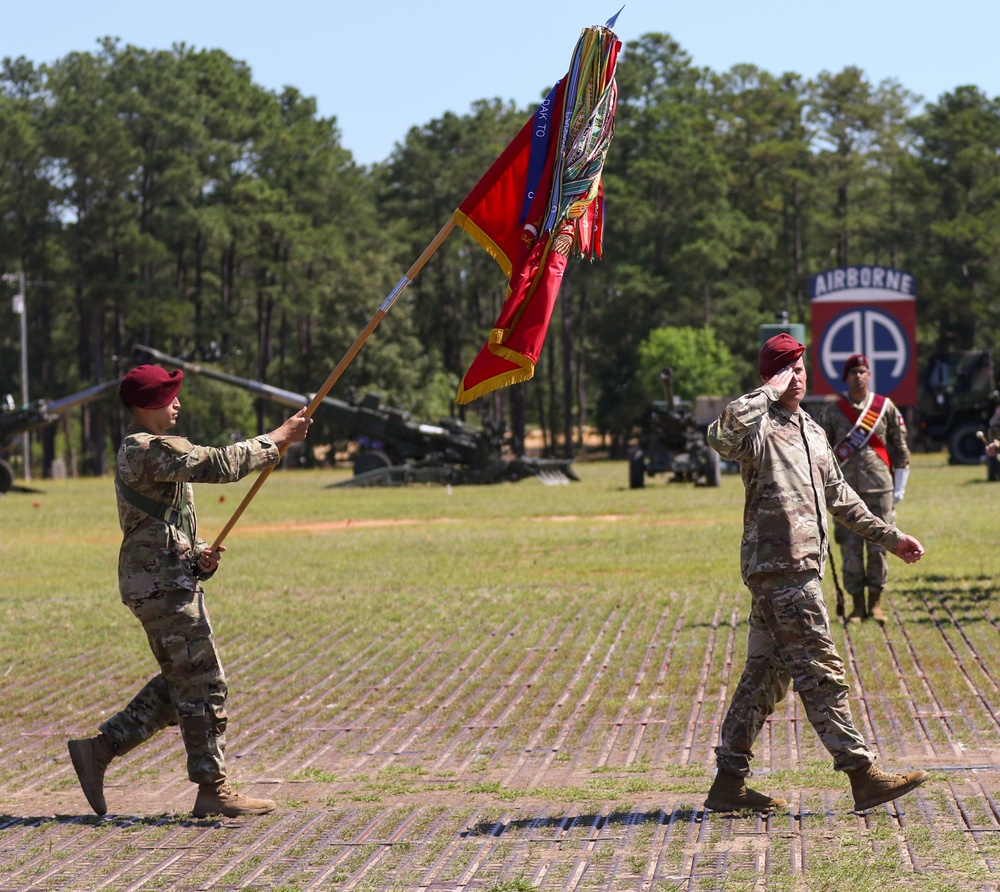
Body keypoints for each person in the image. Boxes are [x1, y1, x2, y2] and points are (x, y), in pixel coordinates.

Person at [68, 363, 313, 818]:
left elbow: (162, 520)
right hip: (159, 583)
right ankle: (211, 790)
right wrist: (279, 437)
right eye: (168, 396)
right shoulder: (145, 449)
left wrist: (197, 551)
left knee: (186, 680)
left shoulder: (151, 449)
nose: (177, 402)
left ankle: (99, 750)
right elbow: (217, 464)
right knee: (205, 682)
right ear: (145, 406)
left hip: (165, 576)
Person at [703, 333, 928, 813]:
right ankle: (862, 774)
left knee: (763, 681)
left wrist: (891, 537)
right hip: (780, 570)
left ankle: (728, 783)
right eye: (787, 370)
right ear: (770, 376)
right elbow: (718, 436)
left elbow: (840, 496)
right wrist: (766, 392)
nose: (797, 378)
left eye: (801, 369)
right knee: (821, 672)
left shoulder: (811, 428)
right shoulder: (758, 426)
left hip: (800, 569)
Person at [820, 354, 911, 624]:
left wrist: (900, 485)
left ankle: (876, 603)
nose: (858, 376)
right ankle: (856, 605)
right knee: (849, 549)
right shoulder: (833, 413)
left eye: (862, 371)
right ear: (846, 378)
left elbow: (900, 446)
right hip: (844, 493)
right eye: (853, 372)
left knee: (880, 549)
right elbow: (822, 453)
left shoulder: (885, 407)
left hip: (880, 489)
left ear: (869, 375)